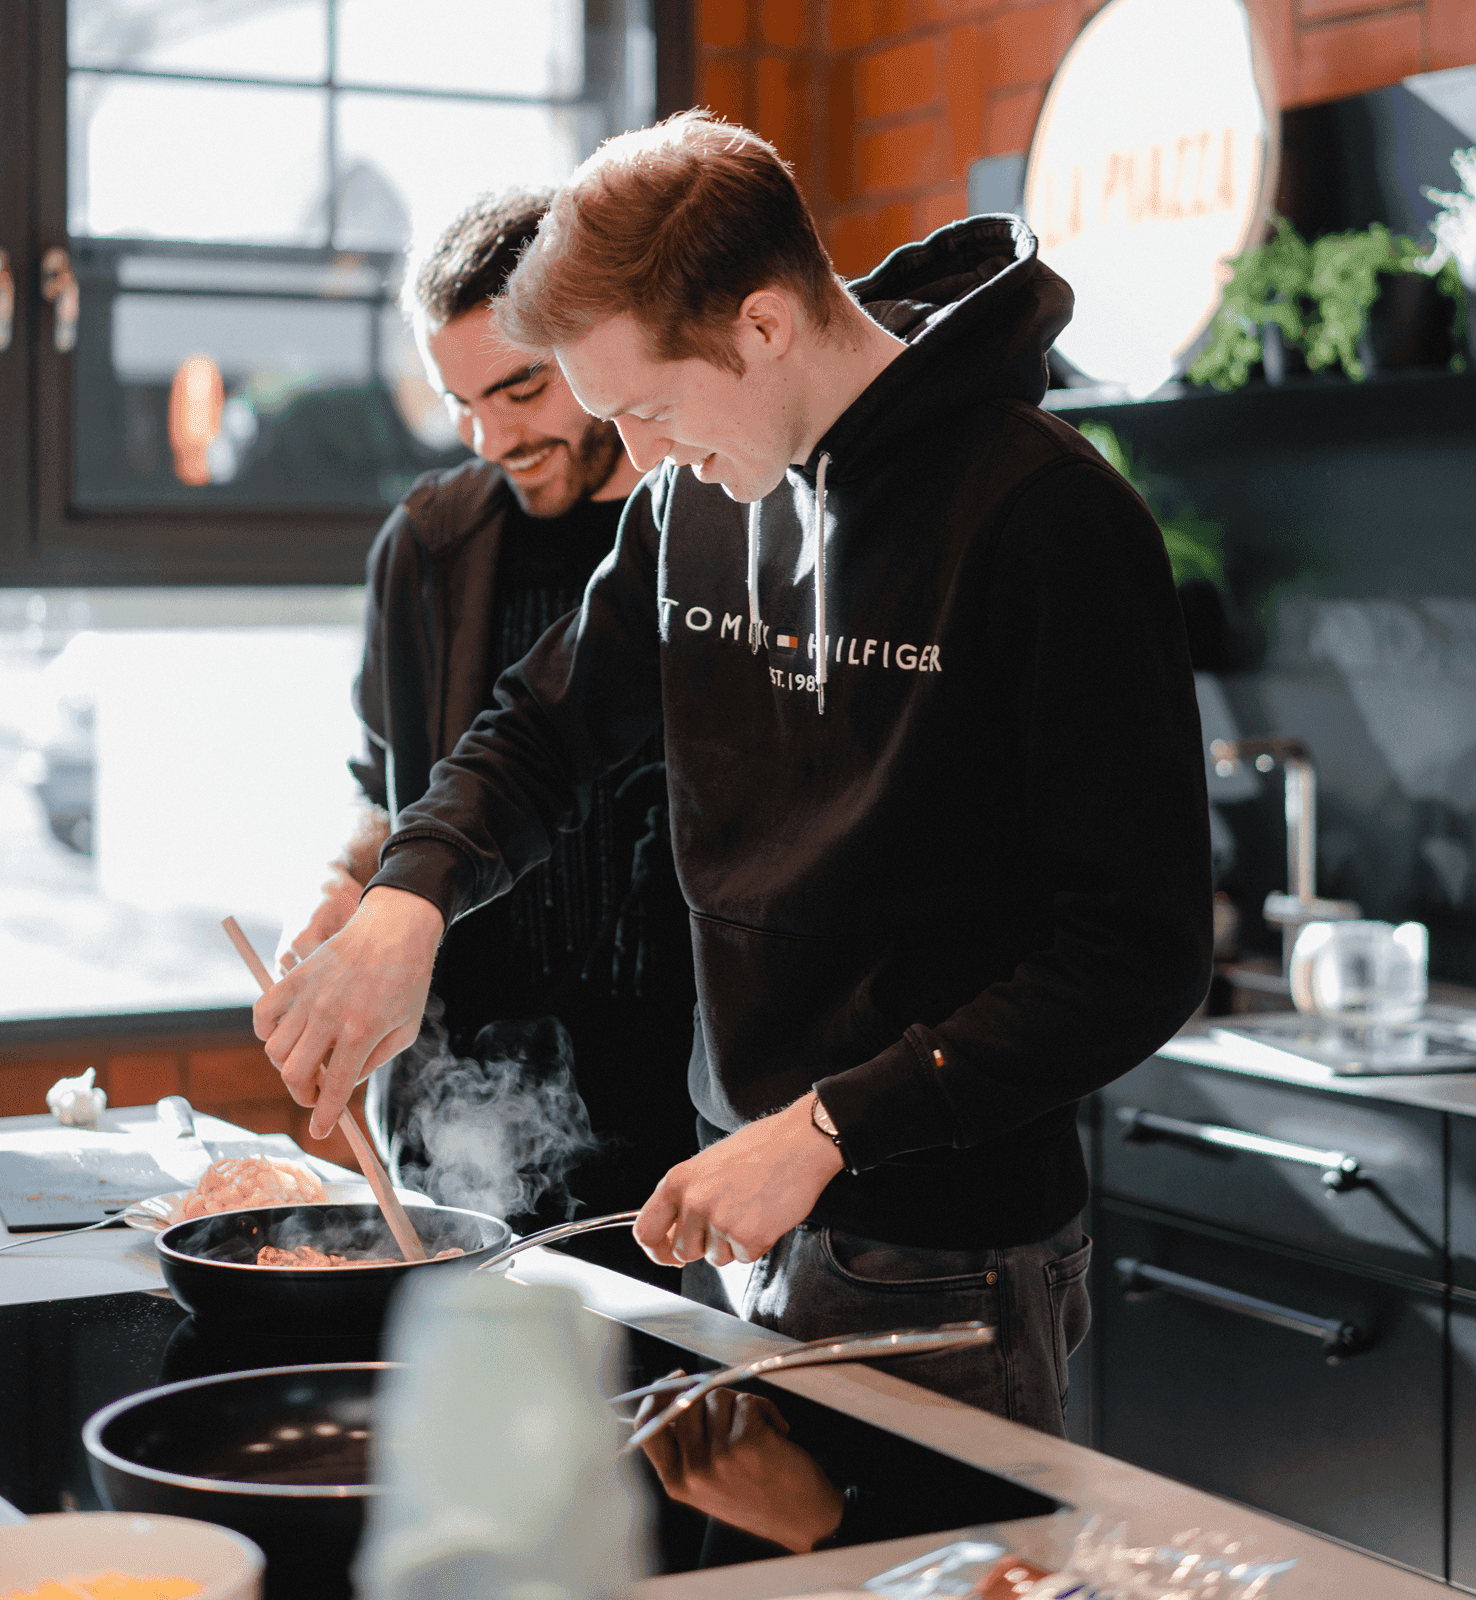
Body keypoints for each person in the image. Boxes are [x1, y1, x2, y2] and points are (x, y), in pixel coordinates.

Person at [256, 113, 1213, 1433]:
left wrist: (830, 1129)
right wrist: (406, 905)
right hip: (732, 1216)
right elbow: (539, 736)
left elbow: (1139, 954)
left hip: (942, 1251)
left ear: (764, 327)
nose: (638, 463)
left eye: (646, 409)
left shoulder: (1046, 519)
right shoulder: (691, 498)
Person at [276, 189, 696, 1273]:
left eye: (521, 388)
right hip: (460, 1119)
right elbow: (386, 787)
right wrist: (343, 889)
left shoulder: (709, 518)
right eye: (459, 402)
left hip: (685, 1136)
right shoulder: (427, 545)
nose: (493, 437)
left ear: (598, 344)